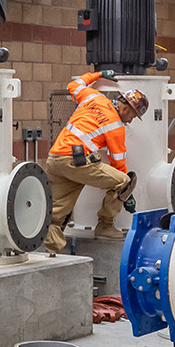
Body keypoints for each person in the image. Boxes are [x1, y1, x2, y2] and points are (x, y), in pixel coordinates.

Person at [43, 72, 149, 254]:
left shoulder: (93, 96)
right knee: (124, 181)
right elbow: (119, 164)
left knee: (57, 213)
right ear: (126, 109)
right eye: (133, 115)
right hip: (76, 162)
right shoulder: (116, 126)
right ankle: (105, 227)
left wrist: (98, 75)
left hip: (55, 159)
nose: (131, 120)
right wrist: (126, 193)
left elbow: (73, 84)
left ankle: (52, 254)